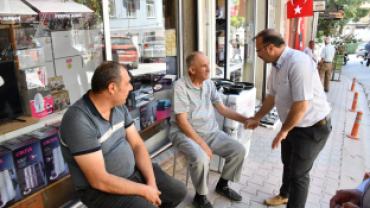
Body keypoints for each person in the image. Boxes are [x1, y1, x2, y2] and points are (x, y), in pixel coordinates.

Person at [59, 61, 187, 208]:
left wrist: (151, 184)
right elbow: (99, 180)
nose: (131, 87)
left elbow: (137, 145)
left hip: (133, 174)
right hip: (100, 191)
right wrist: (144, 190)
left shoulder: (118, 107)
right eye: (127, 83)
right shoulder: (78, 121)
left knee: (178, 192)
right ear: (112, 87)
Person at [244, 29, 332, 208]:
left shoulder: (298, 63)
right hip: (293, 125)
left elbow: (301, 106)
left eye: (258, 50)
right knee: (288, 163)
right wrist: (257, 117)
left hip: (312, 128)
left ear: (270, 48)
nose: (257, 54)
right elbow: (271, 97)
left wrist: (283, 131)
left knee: (299, 174)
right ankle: (284, 195)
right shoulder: (276, 65)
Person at [170, 51, 249, 208]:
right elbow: (183, 123)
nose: (209, 69)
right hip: (184, 134)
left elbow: (223, 109)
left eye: (208, 64)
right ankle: (200, 196)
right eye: (203, 66)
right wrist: (203, 145)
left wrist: (246, 120)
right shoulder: (180, 87)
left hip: (210, 132)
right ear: (192, 70)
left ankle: (222, 185)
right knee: (201, 158)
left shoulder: (209, 83)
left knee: (238, 150)